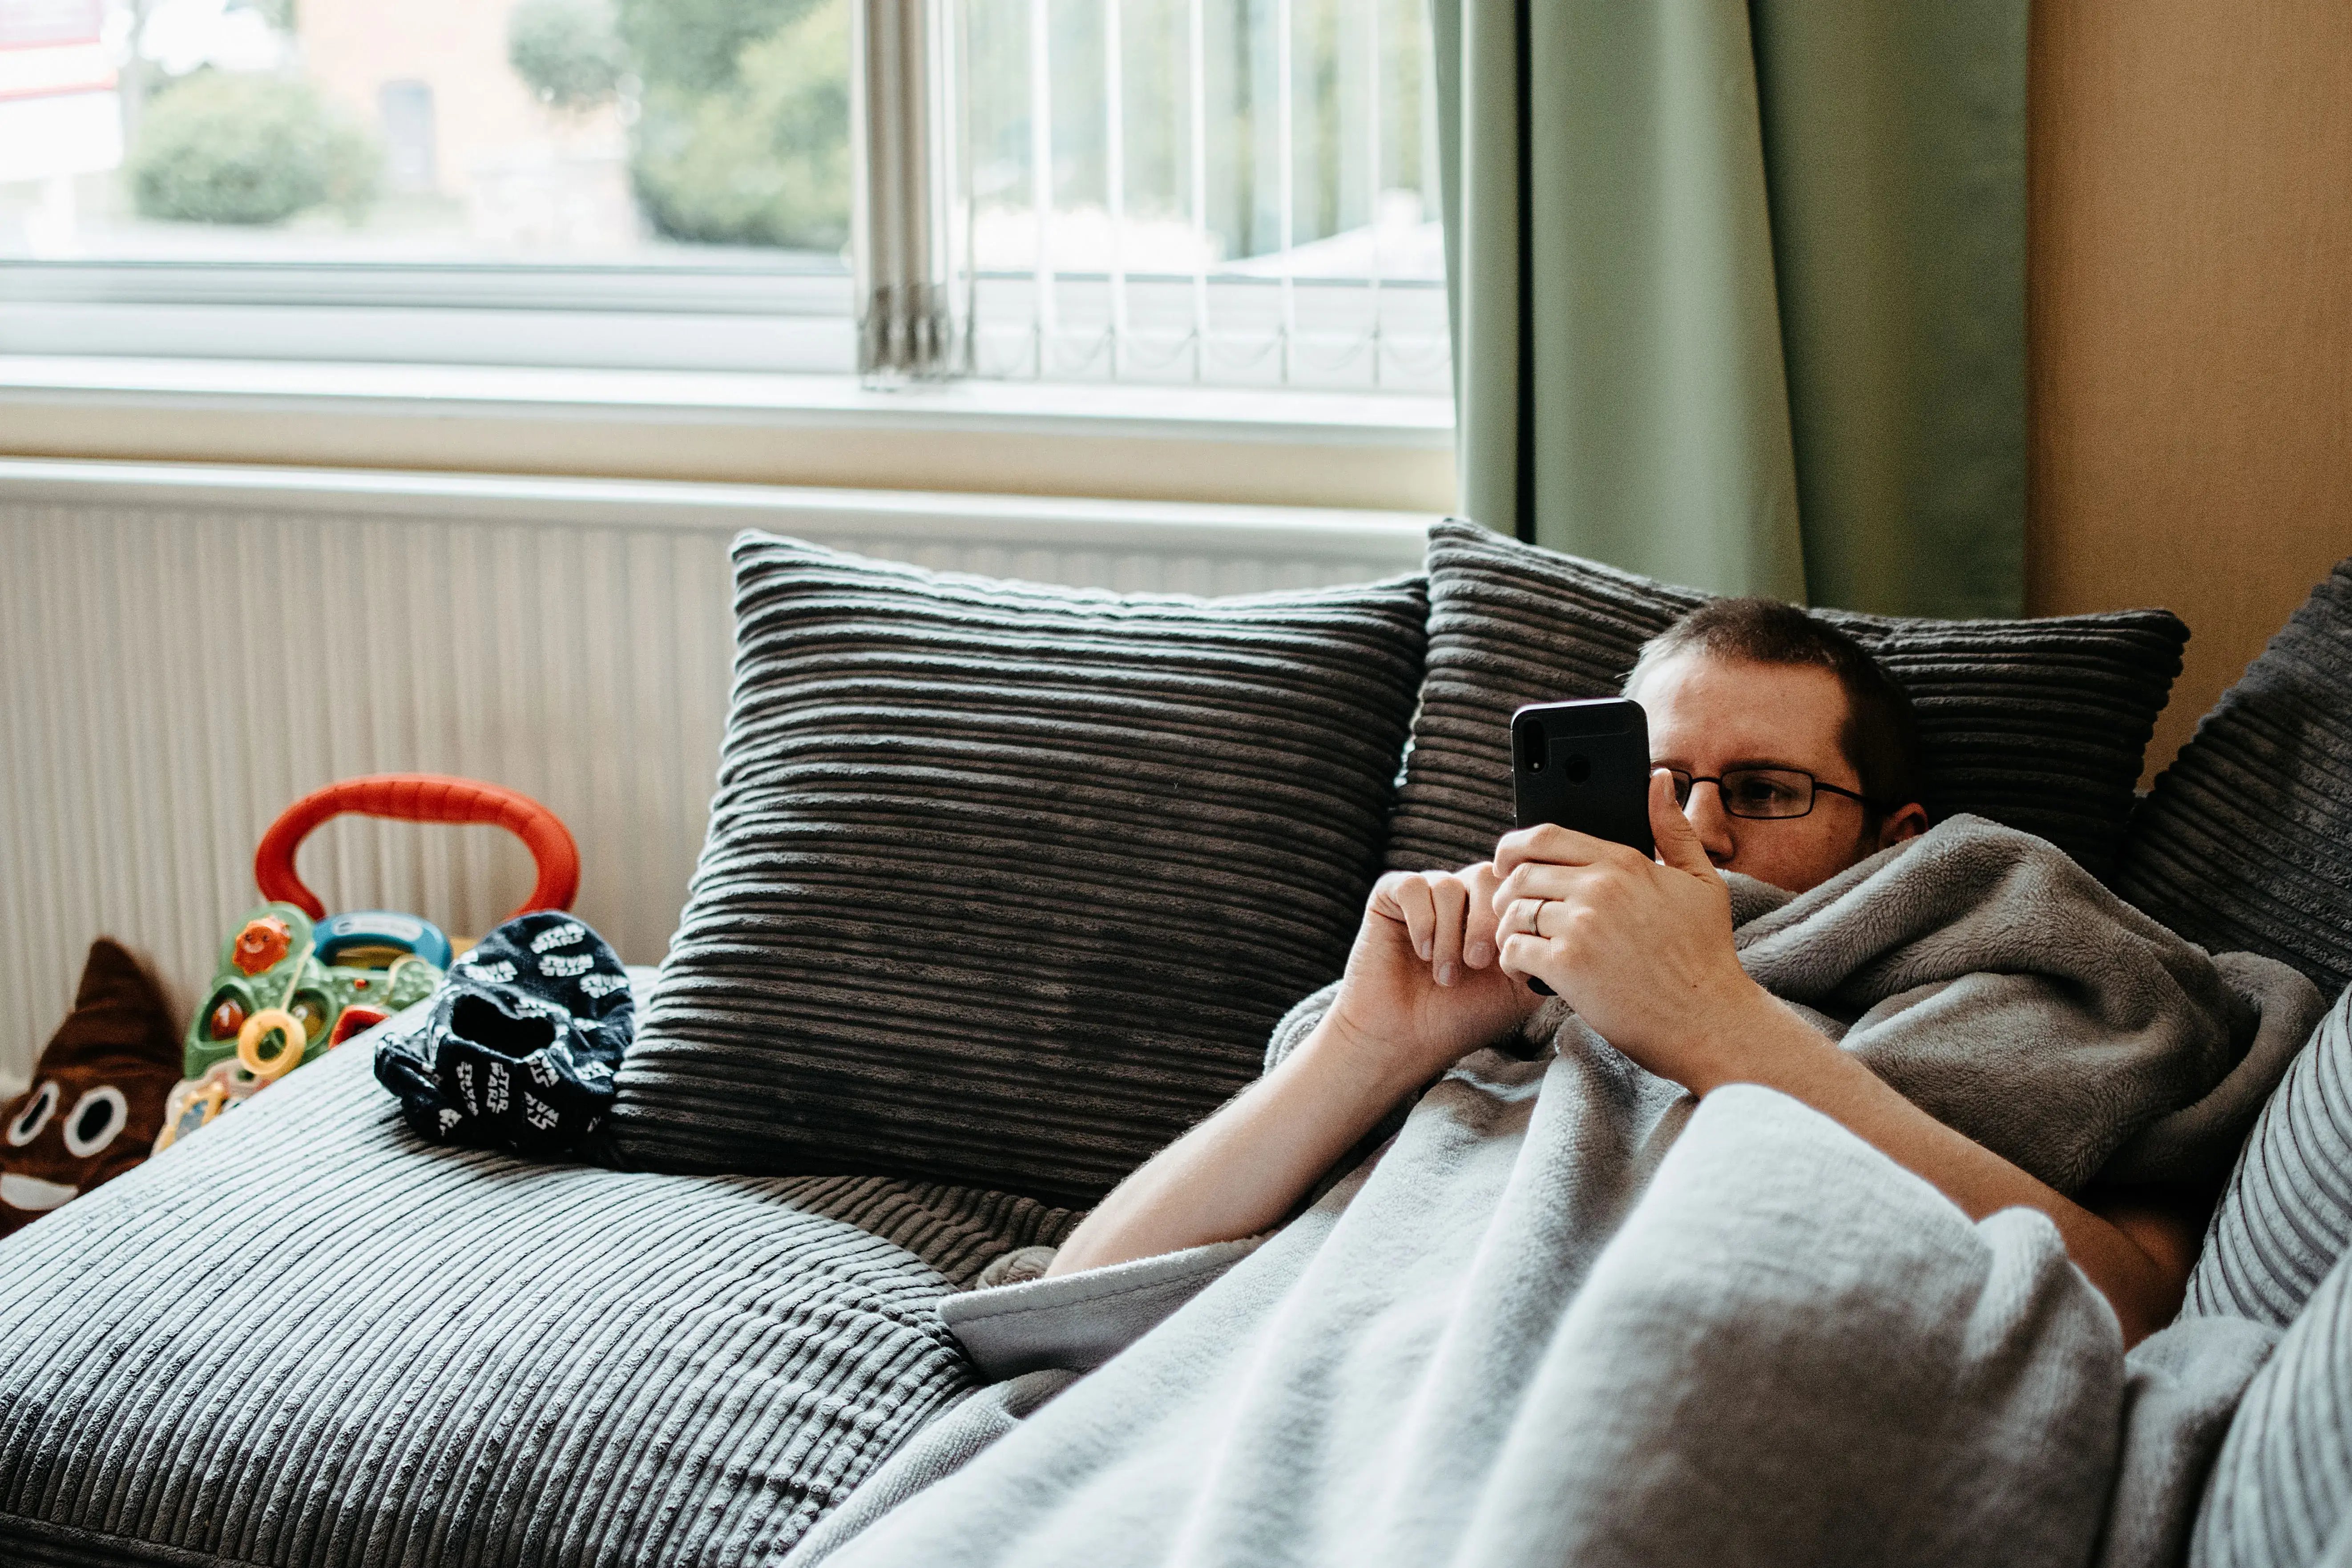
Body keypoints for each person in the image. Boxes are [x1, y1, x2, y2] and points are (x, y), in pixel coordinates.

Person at [1048, 598, 2200, 1346]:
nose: (1702, 827)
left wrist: (1708, 1019)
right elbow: (1070, 1294)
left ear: (1895, 839)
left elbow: (2131, 1299)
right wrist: (1374, 1048)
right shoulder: (1475, 990)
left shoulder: (2001, 962)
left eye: (1764, 790)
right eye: (1655, 785)